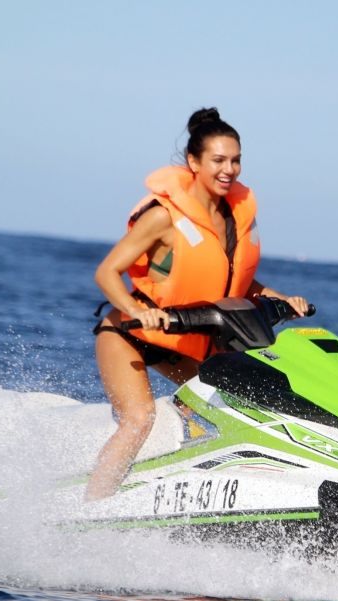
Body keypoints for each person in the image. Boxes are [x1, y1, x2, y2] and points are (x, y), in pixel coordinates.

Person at [87, 108, 308, 501]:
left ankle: (205, 496)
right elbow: (107, 272)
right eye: (218, 160)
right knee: (139, 419)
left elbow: (237, 280)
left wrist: (281, 299)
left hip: (184, 340)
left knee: (231, 409)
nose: (229, 170)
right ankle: (93, 506)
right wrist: (138, 312)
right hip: (128, 334)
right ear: (194, 162)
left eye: (235, 160)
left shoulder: (234, 219)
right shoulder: (164, 217)